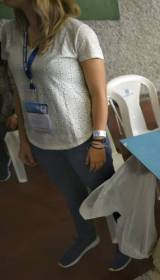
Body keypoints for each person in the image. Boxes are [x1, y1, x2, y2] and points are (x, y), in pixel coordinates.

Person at [0, 0, 130, 271]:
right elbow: (19, 90)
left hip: (81, 140)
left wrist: (98, 141)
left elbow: (98, 93)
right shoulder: (10, 32)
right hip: (42, 140)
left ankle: (127, 241)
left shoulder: (77, 33)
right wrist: (24, 139)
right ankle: (86, 236)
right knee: (71, 196)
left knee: (106, 194)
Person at [0, 46, 17, 182]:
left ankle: (2, 170)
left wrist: (16, 115)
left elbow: (21, 92)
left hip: (7, 113)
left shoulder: (9, 68)